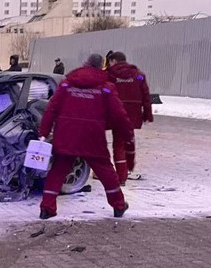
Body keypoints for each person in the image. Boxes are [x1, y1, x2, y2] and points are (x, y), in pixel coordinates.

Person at [38, 54, 134, 220]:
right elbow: (119, 115)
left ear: (85, 64)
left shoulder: (67, 84)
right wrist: (128, 134)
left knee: (58, 170)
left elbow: (51, 109)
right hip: (92, 136)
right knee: (105, 171)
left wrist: (43, 132)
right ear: (101, 67)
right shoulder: (106, 88)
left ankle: (47, 207)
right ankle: (118, 205)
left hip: (66, 134)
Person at [107, 51, 153, 184]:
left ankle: (121, 176)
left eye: (110, 62)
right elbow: (146, 95)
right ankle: (130, 167)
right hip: (133, 115)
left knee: (118, 145)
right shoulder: (138, 75)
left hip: (116, 114)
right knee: (129, 140)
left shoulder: (110, 75)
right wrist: (147, 114)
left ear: (114, 61)